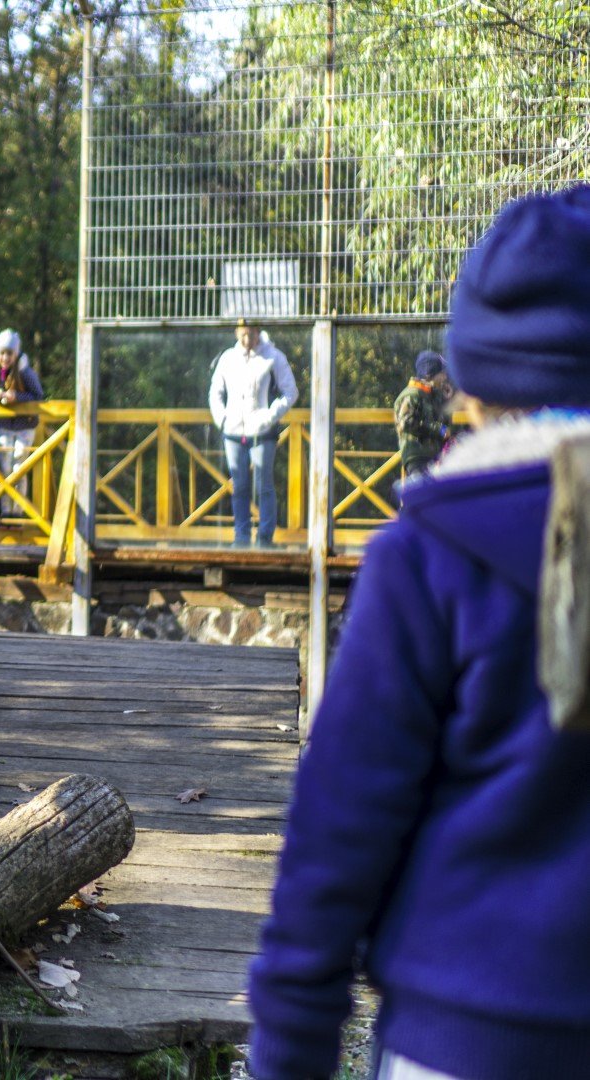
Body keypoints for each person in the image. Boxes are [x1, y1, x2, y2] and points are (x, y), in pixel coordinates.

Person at [247, 187, 590, 1080]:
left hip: (467, 1031)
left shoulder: (432, 552)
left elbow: (341, 824)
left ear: (469, 385)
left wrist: (289, 1047)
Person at [208, 319, 298, 547]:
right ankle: (241, 537)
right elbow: (215, 393)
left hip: (262, 430)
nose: (247, 341)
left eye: (251, 335)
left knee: (263, 484)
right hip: (233, 430)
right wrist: (222, 419)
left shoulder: (273, 356)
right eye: (243, 336)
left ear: (258, 331)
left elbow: (291, 391)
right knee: (239, 485)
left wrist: (269, 416)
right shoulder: (228, 358)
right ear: (237, 333)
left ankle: (265, 538)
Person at [0, 330, 44, 508]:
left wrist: (17, 397)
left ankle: (17, 513)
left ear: (16, 353)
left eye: (9, 353)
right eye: (2, 353)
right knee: (5, 470)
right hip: (5, 426)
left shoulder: (25, 372)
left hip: (25, 427)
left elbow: (38, 396)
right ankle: (5, 513)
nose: (5, 357)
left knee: (19, 469)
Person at [394, 350, 453, 480]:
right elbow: (406, 422)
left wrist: (445, 400)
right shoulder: (411, 395)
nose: (444, 377)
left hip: (433, 456)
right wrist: (437, 429)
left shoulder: (432, 396)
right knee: (424, 492)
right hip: (417, 456)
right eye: (441, 373)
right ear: (428, 375)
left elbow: (445, 425)